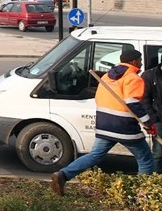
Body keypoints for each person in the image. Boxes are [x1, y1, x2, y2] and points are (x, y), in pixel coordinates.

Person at [51, 48, 156, 194]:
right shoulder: (133, 78)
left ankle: (63, 174)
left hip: (104, 124)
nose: (141, 63)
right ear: (133, 61)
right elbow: (133, 103)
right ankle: (144, 193)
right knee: (145, 159)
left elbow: (99, 98)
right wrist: (148, 123)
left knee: (95, 155)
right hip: (124, 127)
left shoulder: (108, 76)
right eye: (140, 60)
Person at [141, 54, 162, 173]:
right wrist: (153, 119)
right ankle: (156, 180)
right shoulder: (150, 76)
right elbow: (144, 100)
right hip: (159, 119)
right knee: (158, 153)